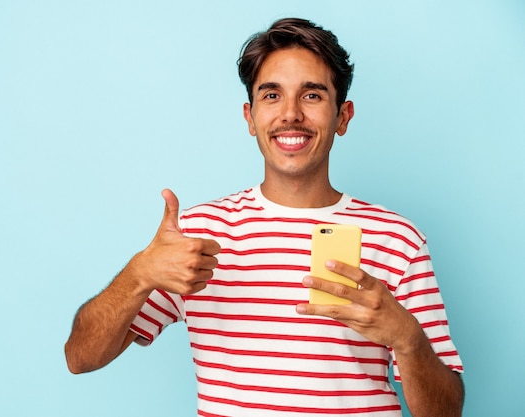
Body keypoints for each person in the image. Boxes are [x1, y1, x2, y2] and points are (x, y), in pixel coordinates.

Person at [65, 17, 464, 416]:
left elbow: (447, 412)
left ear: (343, 116)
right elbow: (80, 358)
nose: (290, 114)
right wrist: (140, 273)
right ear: (250, 116)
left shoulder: (397, 239)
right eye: (272, 96)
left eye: (312, 96)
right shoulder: (198, 237)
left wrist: (407, 338)